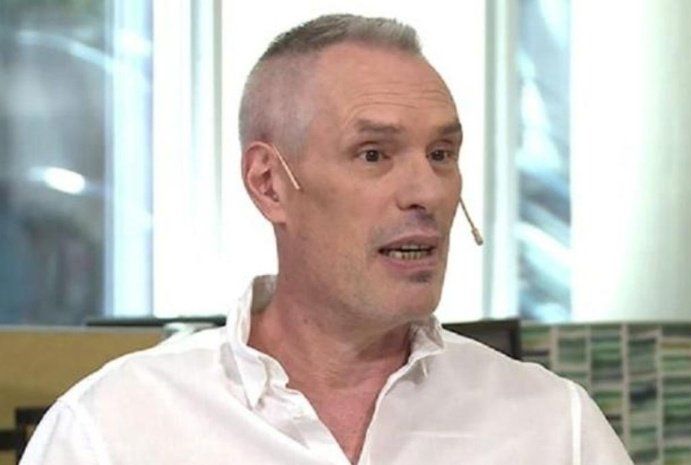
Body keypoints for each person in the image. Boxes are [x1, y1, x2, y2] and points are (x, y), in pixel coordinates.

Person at [21, 14, 632, 465]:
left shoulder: (555, 427)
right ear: (269, 184)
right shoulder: (111, 429)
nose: (427, 191)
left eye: (441, 154)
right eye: (374, 154)